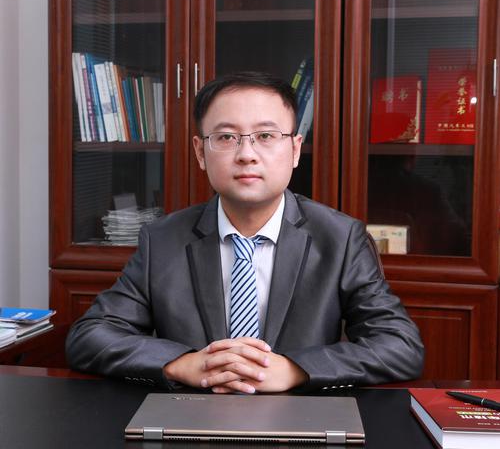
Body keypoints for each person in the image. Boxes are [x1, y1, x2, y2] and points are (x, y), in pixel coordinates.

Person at [66, 72, 424, 393]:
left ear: (295, 149)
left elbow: (400, 345)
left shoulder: (340, 238)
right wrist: (182, 364)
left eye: (266, 135)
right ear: (200, 152)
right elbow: (90, 336)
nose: (246, 154)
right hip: (192, 416)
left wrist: (296, 370)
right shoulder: (163, 239)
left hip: (299, 417)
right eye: (226, 137)